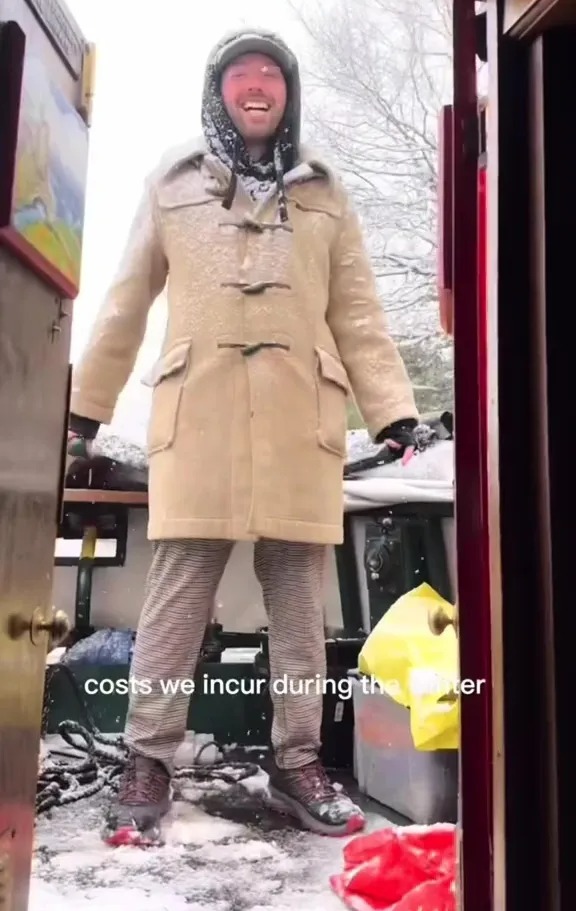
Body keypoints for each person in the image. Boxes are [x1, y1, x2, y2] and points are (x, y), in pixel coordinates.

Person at [67, 27, 419, 841]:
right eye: (241, 75)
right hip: (201, 414)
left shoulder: (328, 192)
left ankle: (298, 760)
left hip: (303, 417)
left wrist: (393, 407)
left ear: (287, 93)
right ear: (218, 90)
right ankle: (148, 754)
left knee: (299, 600)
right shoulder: (172, 181)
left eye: (271, 75)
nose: (257, 86)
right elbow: (125, 297)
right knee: (178, 591)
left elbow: (358, 310)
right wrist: (86, 407)